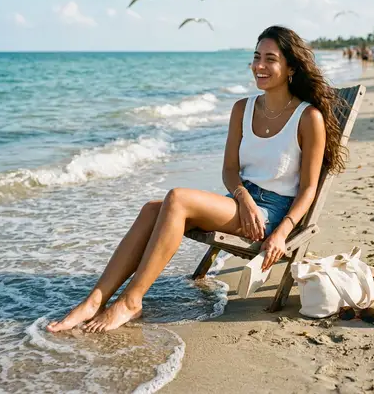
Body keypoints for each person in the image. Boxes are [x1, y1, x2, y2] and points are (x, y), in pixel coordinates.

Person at [46, 26, 347, 334]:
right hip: (241, 201)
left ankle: (130, 302)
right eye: (256, 57)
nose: (259, 66)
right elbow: (230, 170)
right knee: (153, 209)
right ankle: (94, 300)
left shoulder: (308, 117)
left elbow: (309, 188)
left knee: (177, 198)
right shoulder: (242, 108)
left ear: (291, 68)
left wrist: (281, 233)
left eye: (270, 59)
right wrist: (242, 197)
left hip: (271, 214)